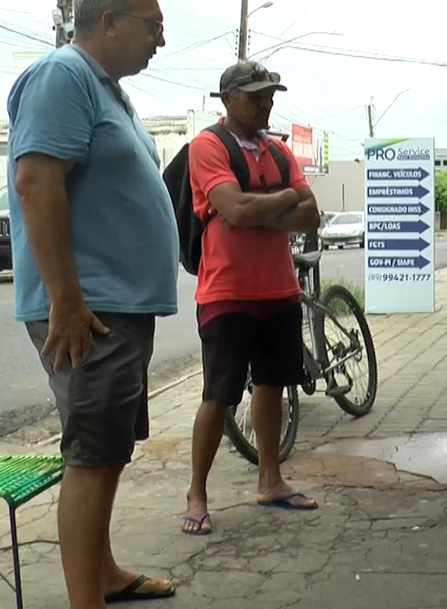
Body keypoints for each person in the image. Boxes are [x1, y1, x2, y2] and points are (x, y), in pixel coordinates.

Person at [6, 0, 177, 607]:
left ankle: (102, 572)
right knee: (91, 455)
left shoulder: (106, 88)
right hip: (91, 308)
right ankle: (86, 600)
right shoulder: (63, 75)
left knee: (109, 450)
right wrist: (66, 301)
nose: (160, 41)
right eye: (152, 26)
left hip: (117, 305)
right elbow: (36, 184)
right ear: (109, 23)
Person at [181, 60, 323, 536]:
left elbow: (312, 217)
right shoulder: (207, 146)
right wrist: (283, 200)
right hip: (227, 291)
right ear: (228, 98)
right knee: (218, 395)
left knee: (272, 385)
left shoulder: (279, 151)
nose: (267, 103)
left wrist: (261, 207)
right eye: (257, 95)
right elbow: (234, 209)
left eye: (270, 95)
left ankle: (271, 480)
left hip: (278, 288)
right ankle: (197, 493)